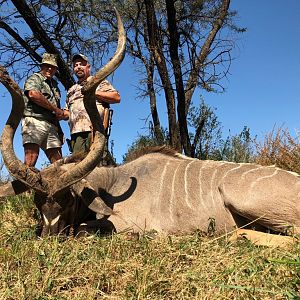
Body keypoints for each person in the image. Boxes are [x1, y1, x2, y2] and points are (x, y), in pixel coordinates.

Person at [64, 54, 120, 162]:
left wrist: (93, 92)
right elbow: (66, 113)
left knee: (99, 167)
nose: (78, 67)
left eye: (82, 64)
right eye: (75, 65)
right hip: (76, 135)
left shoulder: (99, 82)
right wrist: (56, 113)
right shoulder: (71, 90)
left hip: (95, 132)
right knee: (78, 167)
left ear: (88, 67)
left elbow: (116, 97)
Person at [22, 53, 66, 167]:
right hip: (34, 120)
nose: (50, 68)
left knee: (58, 162)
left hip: (51, 125)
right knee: (31, 158)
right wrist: (55, 109)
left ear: (56, 69)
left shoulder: (55, 86)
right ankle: (24, 184)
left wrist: (59, 131)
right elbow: (33, 94)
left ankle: (59, 185)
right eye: (47, 65)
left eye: (53, 67)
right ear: (42, 66)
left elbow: (55, 113)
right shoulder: (35, 78)